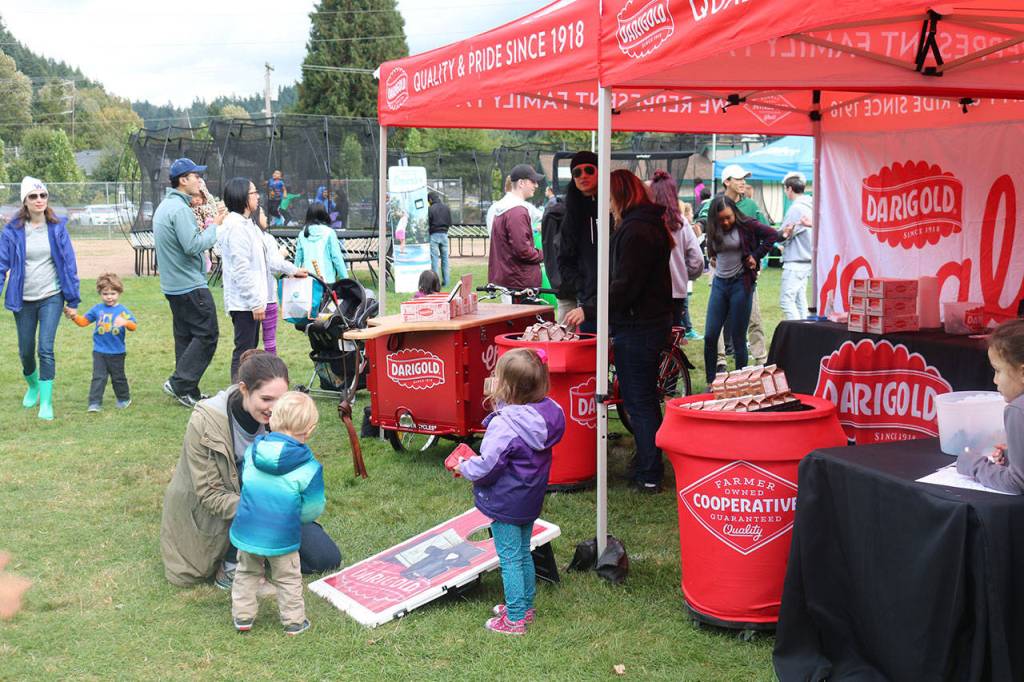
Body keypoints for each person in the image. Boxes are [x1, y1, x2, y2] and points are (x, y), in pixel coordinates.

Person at [160, 350, 341, 588]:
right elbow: (210, 495)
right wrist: (269, 509)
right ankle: (232, 567)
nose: (274, 408)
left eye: (280, 399)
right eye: (266, 399)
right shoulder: (205, 421)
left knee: (326, 559)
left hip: (268, 502)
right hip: (225, 512)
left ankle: (259, 552)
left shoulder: (281, 417)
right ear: (244, 389)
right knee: (195, 572)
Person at [454, 348, 565, 635]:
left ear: (507, 387)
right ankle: (524, 606)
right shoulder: (549, 414)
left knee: (510, 558)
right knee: (523, 552)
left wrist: (465, 466)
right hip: (530, 498)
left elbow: (488, 465)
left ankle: (515, 619)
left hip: (506, 501)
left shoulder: (505, 425)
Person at [591, 170, 674, 492]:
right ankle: (647, 462)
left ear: (618, 194)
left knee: (638, 401)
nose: (606, 204)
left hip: (640, 326)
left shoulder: (636, 230)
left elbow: (626, 285)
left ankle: (651, 472)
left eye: (607, 197)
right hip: (647, 322)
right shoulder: (645, 224)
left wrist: (594, 307)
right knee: (641, 400)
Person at [230, 391, 324, 635]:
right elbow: (313, 508)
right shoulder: (309, 467)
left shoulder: (252, 453)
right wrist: (294, 516)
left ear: (271, 420)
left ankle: (242, 616)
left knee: (246, 572)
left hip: (248, 529)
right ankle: (293, 621)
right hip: (283, 535)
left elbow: (246, 481)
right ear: (310, 429)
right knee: (288, 578)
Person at [0, 177, 81, 420]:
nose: (39, 200)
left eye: (43, 196)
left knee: (45, 348)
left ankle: (46, 402)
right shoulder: (12, 231)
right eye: (33, 196)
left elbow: (69, 265)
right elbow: (1, 265)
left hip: (51, 297)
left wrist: (73, 300)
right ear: (24, 201)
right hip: (22, 299)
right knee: (26, 350)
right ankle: (33, 385)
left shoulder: (57, 228)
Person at [154, 158, 225, 408]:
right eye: (196, 176)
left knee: (186, 337)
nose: (199, 181)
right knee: (207, 334)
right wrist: (215, 226)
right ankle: (179, 382)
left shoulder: (166, 205)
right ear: (183, 180)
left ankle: (188, 391)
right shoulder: (179, 209)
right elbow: (193, 245)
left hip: (174, 286)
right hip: (190, 285)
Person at [218, 177, 305, 382]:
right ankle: (237, 392)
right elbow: (241, 270)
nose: (257, 196)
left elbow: (269, 260)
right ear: (241, 197)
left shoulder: (249, 225)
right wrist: (256, 302)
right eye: (253, 192)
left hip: (254, 300)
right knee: (244, 348)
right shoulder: (236, 227)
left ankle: (246, 388)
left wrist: (292, 270)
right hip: (245, 303)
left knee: (250, 346)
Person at [697, 165, 771, 370]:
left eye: (744, 179)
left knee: (753, 318)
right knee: (715, 326)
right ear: (726, 181)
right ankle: (720, 362)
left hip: (744, 277)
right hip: (720, 273)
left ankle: (760, 360)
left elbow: (766, 233)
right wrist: (709, 252)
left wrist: (757, 259)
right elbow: (705, 224)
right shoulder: (715, 204)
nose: (743, 182)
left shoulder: (751, 206)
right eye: (738, 179)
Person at [702, 195, 782, 384]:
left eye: (728, 217)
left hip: (741, 283)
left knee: (738, 338)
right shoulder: (713, 228)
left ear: (735, 213)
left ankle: (739, 382)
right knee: (710, 335)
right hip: (720, 284)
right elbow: (712, 249)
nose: (726, 222)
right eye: (721, 219)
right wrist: (713, 256)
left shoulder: (746, 224)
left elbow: (772, 235)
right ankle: (712, 382)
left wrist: (756, 255)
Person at [957, 320, 1024, 494]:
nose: (994, 380)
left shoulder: (1018, 409)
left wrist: (974, 464)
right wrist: (1013, 456)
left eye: (998, 370)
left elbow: (1016, 483)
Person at [68, 272, 137, 412]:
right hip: (99, 351)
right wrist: (74, 316)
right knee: (98, 377)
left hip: (117, 352)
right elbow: (84, 322)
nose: (109, 297)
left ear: (119, 293)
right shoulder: (97, 309)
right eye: (105, 294)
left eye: (113, 293)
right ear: (100, 293)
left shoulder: (122, 311)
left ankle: (124, 399)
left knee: (118, 378)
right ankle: (94, 403)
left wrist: (125, 322)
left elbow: (133, 326)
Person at [649, 170, 704, 342]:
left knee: (651, 341)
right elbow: (697, 260)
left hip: (649, 292)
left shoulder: (645, 221)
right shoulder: (681, 222)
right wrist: (681, 274)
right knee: (672, 341)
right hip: (676, 292)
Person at [559, 151, 601, 333]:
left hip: (620, 302)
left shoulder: (616, 206)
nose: (583, 175)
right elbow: (565, 260)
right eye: (577, 172)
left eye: (589, 170)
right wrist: (582, 285)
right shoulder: (571, 213)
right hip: (587, 302)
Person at [487, 164, 544, 290]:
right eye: (533, 181)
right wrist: (544, 255)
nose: (536, 185)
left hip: (510, 279)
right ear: (521, 183)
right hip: (518, 282)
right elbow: (523, 251)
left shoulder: (506, 207)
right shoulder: (516, 211)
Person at [778, 172, 814, 320]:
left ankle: (797, 334)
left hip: (796, 261)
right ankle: (806, 334)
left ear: (789, 189)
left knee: (786, 301)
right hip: (806, 259)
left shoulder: (796, 208)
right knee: (800, 300)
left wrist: (780, 238)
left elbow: (785, 233)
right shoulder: (810, 205)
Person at [294, 203, 347, 284]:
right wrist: (345, 279)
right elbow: (337, 258)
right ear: (324, 215)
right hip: (327, 280)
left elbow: (298, 259)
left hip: (306, 280)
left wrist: (294, 274)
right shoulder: (329, 233)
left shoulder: (302, 234)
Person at [539, 190, 569, 320]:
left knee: (565, 329)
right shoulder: (559, 213)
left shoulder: (553, 211)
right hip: (569, 287)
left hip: (565, 286)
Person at [427, 191, 452, 286]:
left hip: (434, 235)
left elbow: (428, 223)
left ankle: (435, 284)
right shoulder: (446, 208)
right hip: (445, 234)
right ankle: (446, 282)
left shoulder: (430, 209)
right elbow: (450, 222)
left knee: (434, 260)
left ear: (430, 199)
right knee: (445, 259)